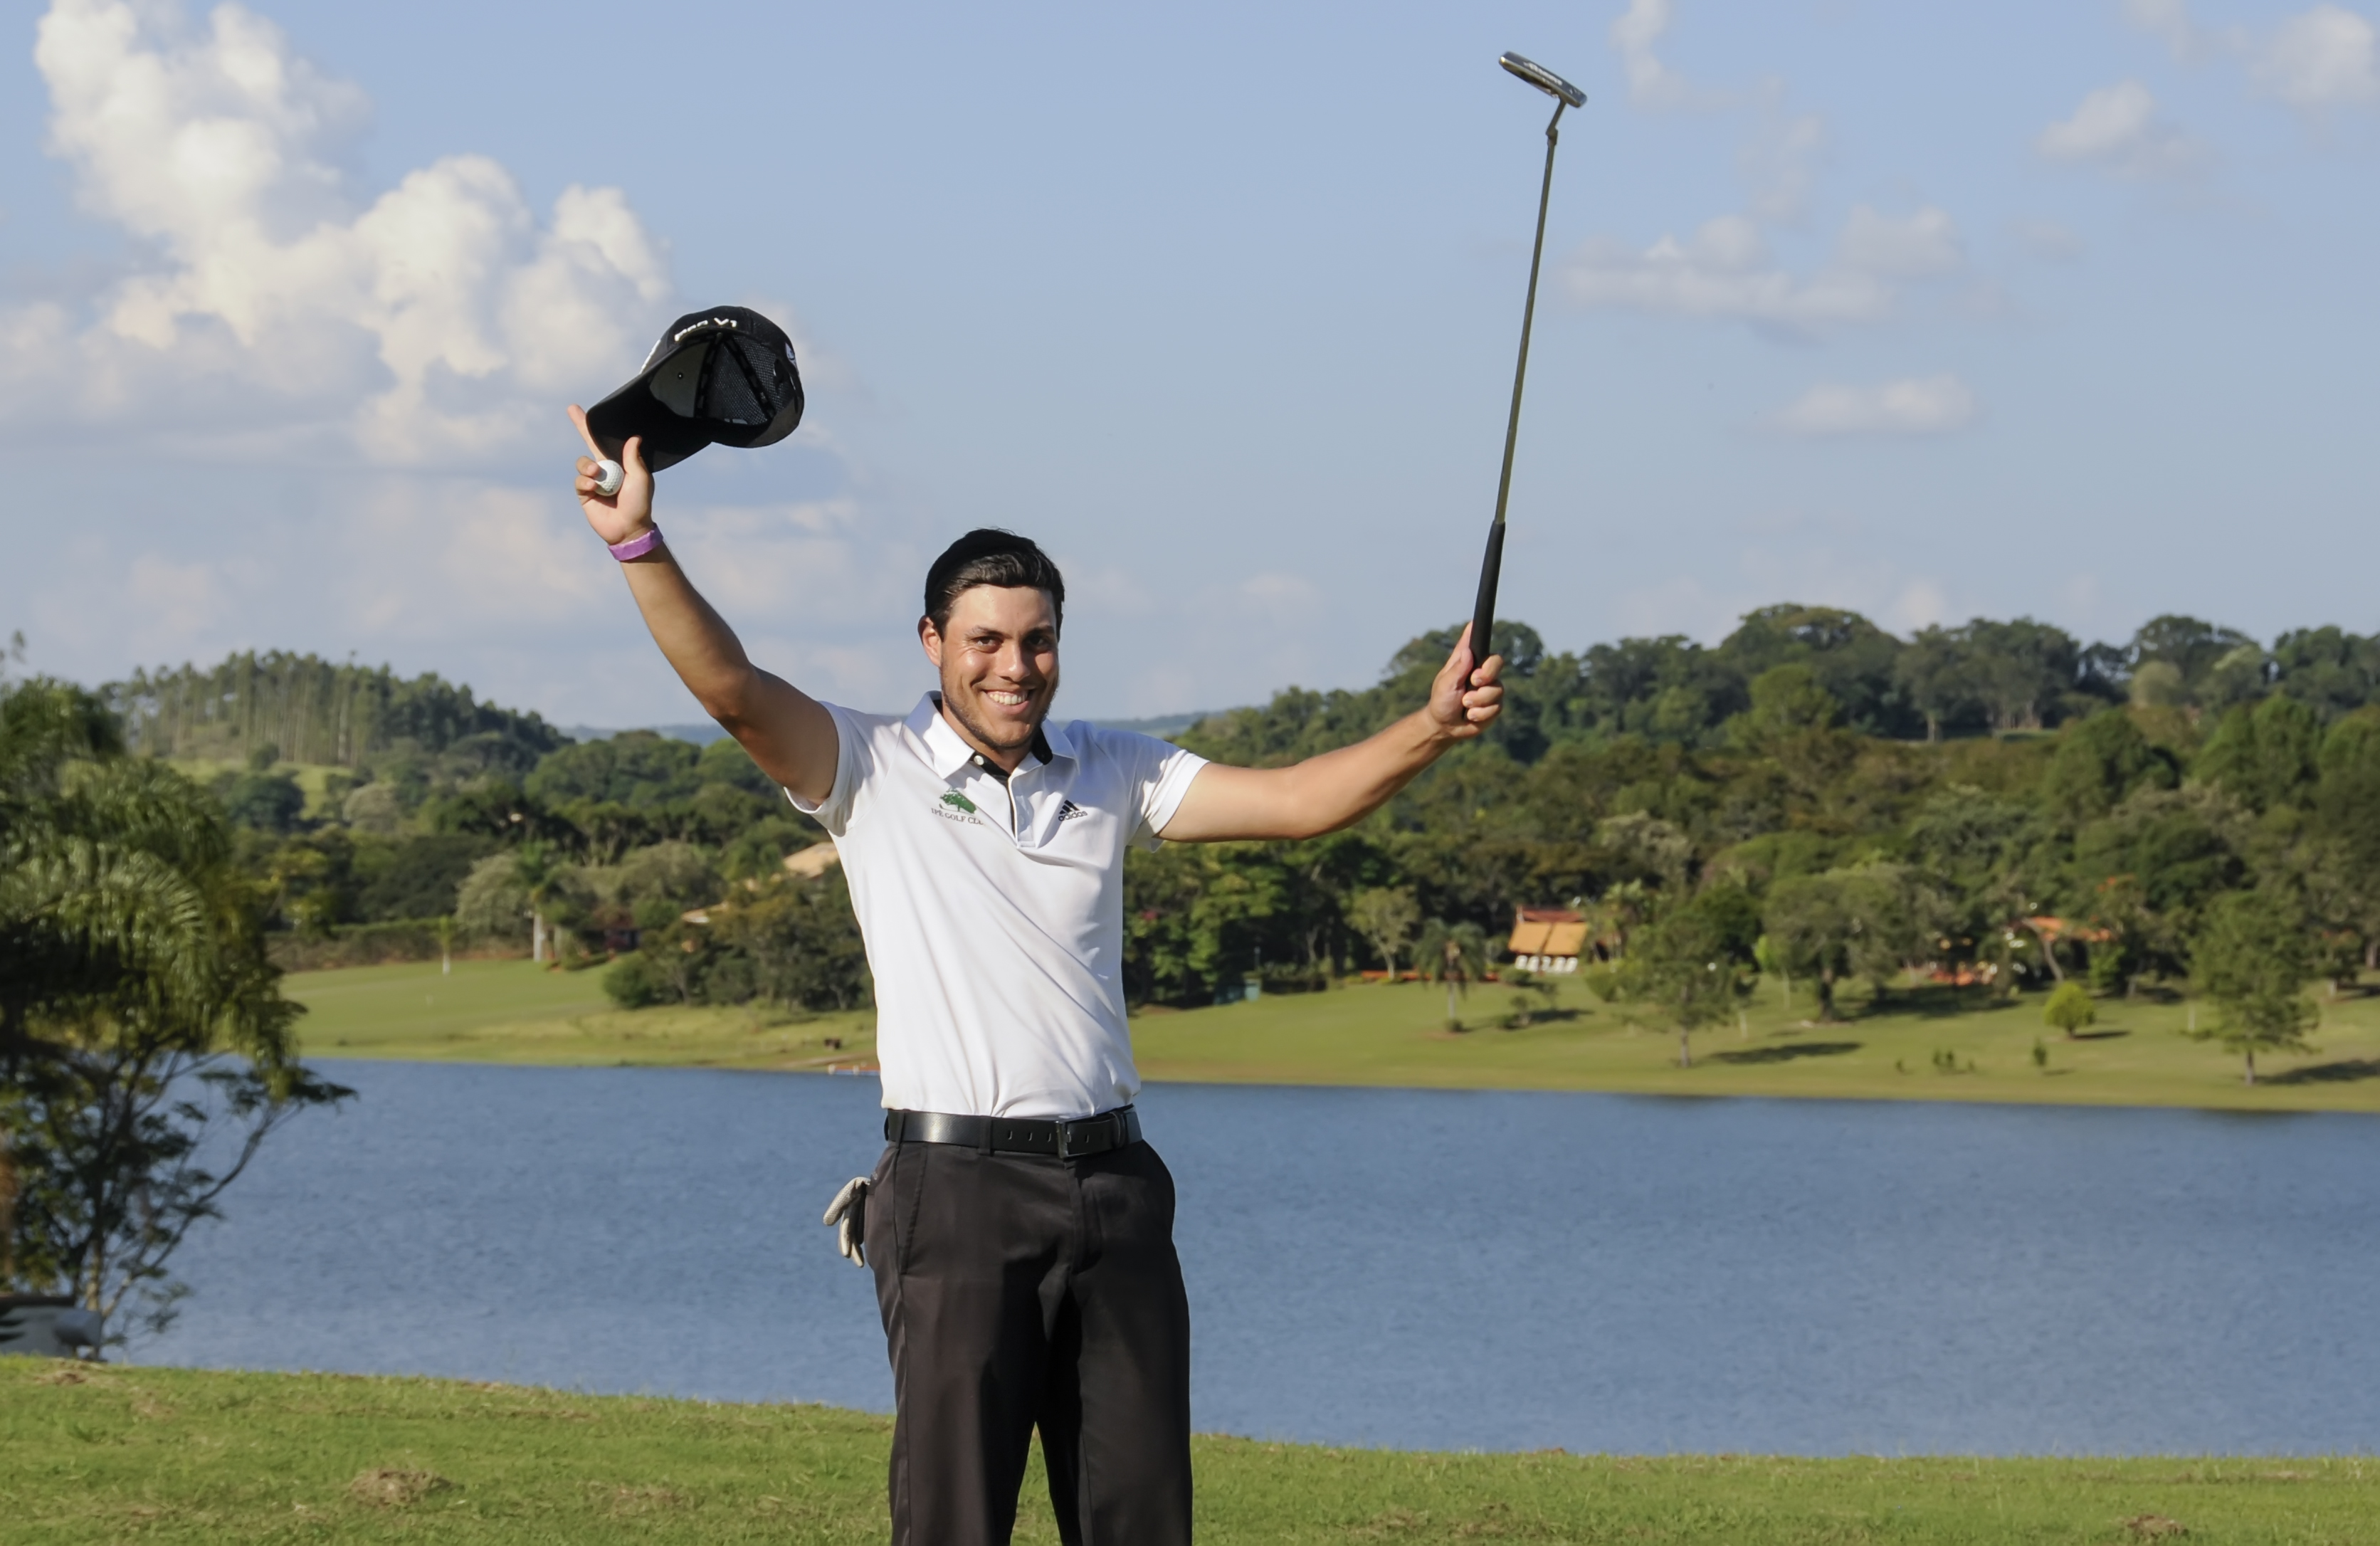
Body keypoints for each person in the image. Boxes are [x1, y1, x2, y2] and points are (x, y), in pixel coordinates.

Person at [568, 409, 1503, 1546]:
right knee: (956, 1521)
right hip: (955, 1192)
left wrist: (1431, 726)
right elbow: (731, 691)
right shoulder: (868, 764)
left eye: (1038, 641)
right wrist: (638, 545)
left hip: (1117, 1187)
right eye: (986, 641)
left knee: (1139, 1520)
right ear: (932, 641)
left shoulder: (1116, 766)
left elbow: (1301, 801)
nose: (1015, 667)